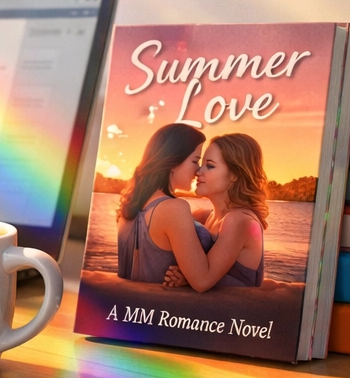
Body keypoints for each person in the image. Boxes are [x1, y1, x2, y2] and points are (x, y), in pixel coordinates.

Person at [164, 134, 269, 290]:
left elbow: (202, 282)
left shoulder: (239, 220)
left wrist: (187, 276)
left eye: (210, 165)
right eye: (200, 164)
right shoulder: (205, 216)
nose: (198, 171)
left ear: (235, 175)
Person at [114, 123, 211, 284]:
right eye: (195, 161)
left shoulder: (132, 205)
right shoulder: (174, 208)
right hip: (164, 305)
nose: (199, 170)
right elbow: (201, 280)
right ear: (173, 162)